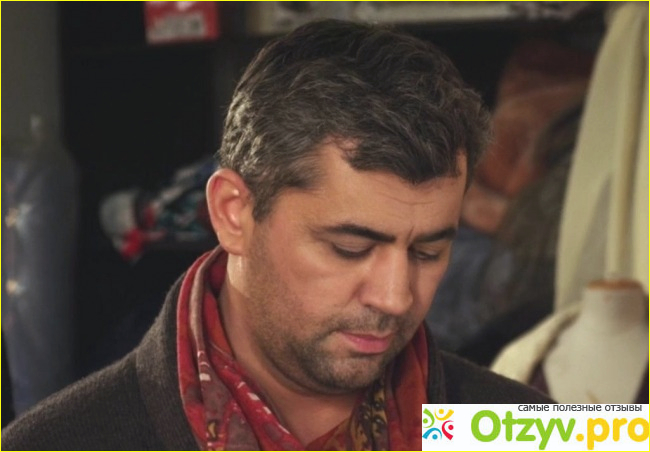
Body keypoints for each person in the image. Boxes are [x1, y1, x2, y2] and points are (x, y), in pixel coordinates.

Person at [2, 19, 551, 451]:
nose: (395, 297)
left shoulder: (542, 432)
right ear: (233, 213)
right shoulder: (51, 445)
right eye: (350, 248)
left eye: (428, 251)